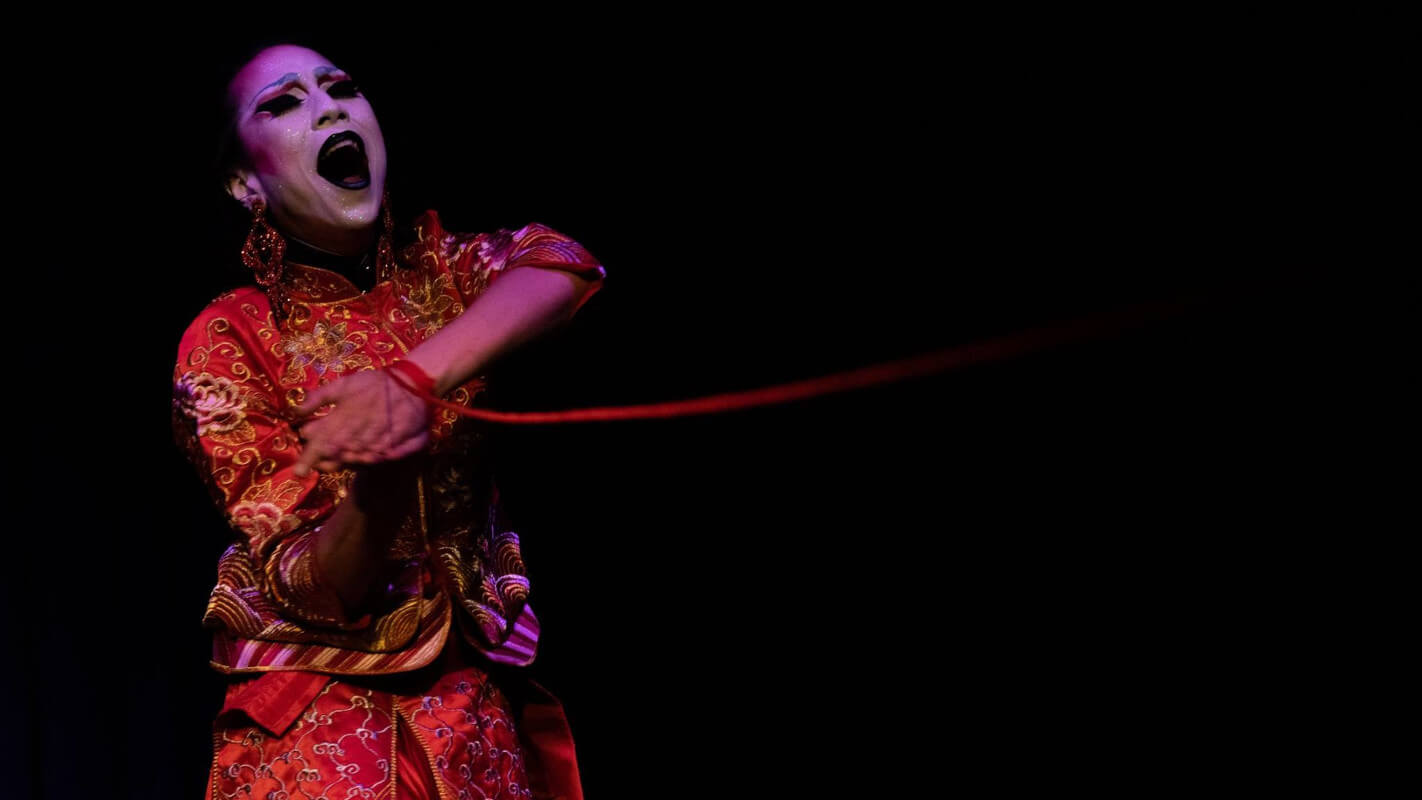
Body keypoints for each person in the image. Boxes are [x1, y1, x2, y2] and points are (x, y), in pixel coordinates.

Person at [172, 43, 604, 800]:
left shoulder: (441, 268)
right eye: (283, 102)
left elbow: (563, 264)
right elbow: (311, 582)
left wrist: (411, 380)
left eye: (340, 87)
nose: (329, 105)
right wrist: (382, 483)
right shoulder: (232, 335)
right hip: (323, 738)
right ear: (245, 182)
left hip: (477, 723)